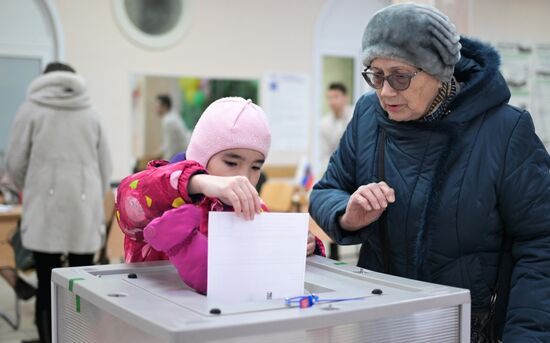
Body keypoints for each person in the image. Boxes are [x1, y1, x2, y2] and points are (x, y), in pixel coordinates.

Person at [309, 3, 550, 342]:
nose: (385, 91)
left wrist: (527, 335)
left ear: (439, 72)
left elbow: (540, 241)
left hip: (468, 325)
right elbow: (325, 191)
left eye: (400, 76)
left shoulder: (504, 130)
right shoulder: (367, 116)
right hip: (380, 320)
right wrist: (348, 215)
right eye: (375, 75)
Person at [117, 97, 325, 294]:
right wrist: (198, 181)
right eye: (231, 163)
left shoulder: (254, 206)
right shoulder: (165, 195)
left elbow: (267, 271)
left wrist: (304, 247)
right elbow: (128, 197)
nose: (243, 176)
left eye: (255, 167)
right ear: (202, 155)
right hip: (151, 315)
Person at [5, 62, 112, 343]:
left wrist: (34, 188)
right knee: (81, 285)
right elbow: (106, 170)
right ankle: (78, 338)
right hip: (83, 215)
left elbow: (14, 166)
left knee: (46, 284)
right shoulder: (92, 113)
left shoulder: (30, 110)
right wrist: (87, 196)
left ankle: (48, 339)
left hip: (44, 214)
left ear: (44, 80)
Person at [320, 83, 353, 166]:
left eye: (335, 97)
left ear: (346, 98)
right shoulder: (324, 123)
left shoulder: (355, 116)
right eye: (329, 98)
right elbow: (326, 154)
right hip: (336, 168)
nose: (332, 101)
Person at [156, 94, 191, 161]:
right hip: (183, 153)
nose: (155, 108)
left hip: (182, 156)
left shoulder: (169, 121)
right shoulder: (172, 116)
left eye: (157, 106)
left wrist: (164, 164)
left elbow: (170, 147)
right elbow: (166, 145)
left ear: (165, 106)